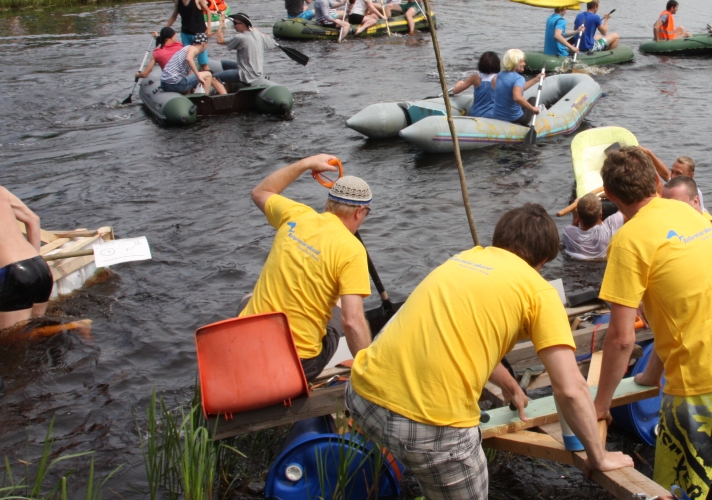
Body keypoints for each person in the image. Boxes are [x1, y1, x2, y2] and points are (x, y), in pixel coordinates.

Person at [347, 204, 634, 499]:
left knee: (426, 471)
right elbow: (571, 389)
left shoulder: (465, 259)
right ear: (544, 259)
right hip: (429, 426)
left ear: (499, 240)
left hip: (362, 395)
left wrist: (509, 384)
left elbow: (462, 334)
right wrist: (598, 456)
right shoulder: (538, 291)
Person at [593, 146, 712, 499]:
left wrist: (601, 404)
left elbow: (621, 339)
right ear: (657, 183)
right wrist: (649, 377)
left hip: (701, 386)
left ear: (609, 195)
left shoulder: (628, 241)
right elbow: (684, 307)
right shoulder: (691, 214)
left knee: (675, 493)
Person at [241, 156, 373, 380]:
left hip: (249, 349)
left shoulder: (296, 215)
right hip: (298, 364)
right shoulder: (352, 249)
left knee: (249, 298)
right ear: (359, 213)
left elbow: (260, 192)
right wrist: (369, 372)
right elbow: (352, 322)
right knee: (341, 304)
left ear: (328, 204)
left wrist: (307, 164)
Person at [0, 185, 52, 330]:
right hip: (39, 266)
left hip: (14, 274)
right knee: (35, 329)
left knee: (12, 339)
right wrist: (34, 259)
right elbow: (33, 219)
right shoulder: (1, 191)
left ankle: (73, 326)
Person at [212, 12, 278, 86]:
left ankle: (224, 96)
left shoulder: (240, 37)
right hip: (256, 72)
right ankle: (229, 88)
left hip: (245, 74)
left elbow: (219, 41)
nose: (234, 25)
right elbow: (273, 42)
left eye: (235, 23)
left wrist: (221, 24)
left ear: (243, 24)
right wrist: (260, 33)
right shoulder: (258, 35)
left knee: (213, 78)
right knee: (225, 64)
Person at [166, 0, 213, 68]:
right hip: (185, 33)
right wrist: (165, 28)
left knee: (203, 62)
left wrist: (209, 28)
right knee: (187, 60)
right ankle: (191, 79)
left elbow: (208, 11)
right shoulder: (178, 0)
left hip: (199, 32)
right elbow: (174, 16)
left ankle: (208, 77)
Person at [562, 192, 624, 261]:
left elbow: (573, 229)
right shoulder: (609, 228)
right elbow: (628, 207)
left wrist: (575, 221)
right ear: (601, 214)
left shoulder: (567, 232)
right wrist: (612, 195)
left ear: (578, 216)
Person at [492, 49, 544, 126]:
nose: (524, 63)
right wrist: (532, 108)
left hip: (497, 116)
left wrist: (536, 79)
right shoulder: (518, 78)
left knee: (522, 105)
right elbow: (517, 97)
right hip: (515, 118)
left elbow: (516, 88)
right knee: (533, 99)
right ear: (515, 63)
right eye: (522, 61)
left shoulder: (499, 75)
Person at [452, 51, 501, 118]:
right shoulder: (499, 78)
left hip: (476, 114)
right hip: (492, 116)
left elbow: (456, 91)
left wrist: (459, 83)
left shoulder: (475, 77)